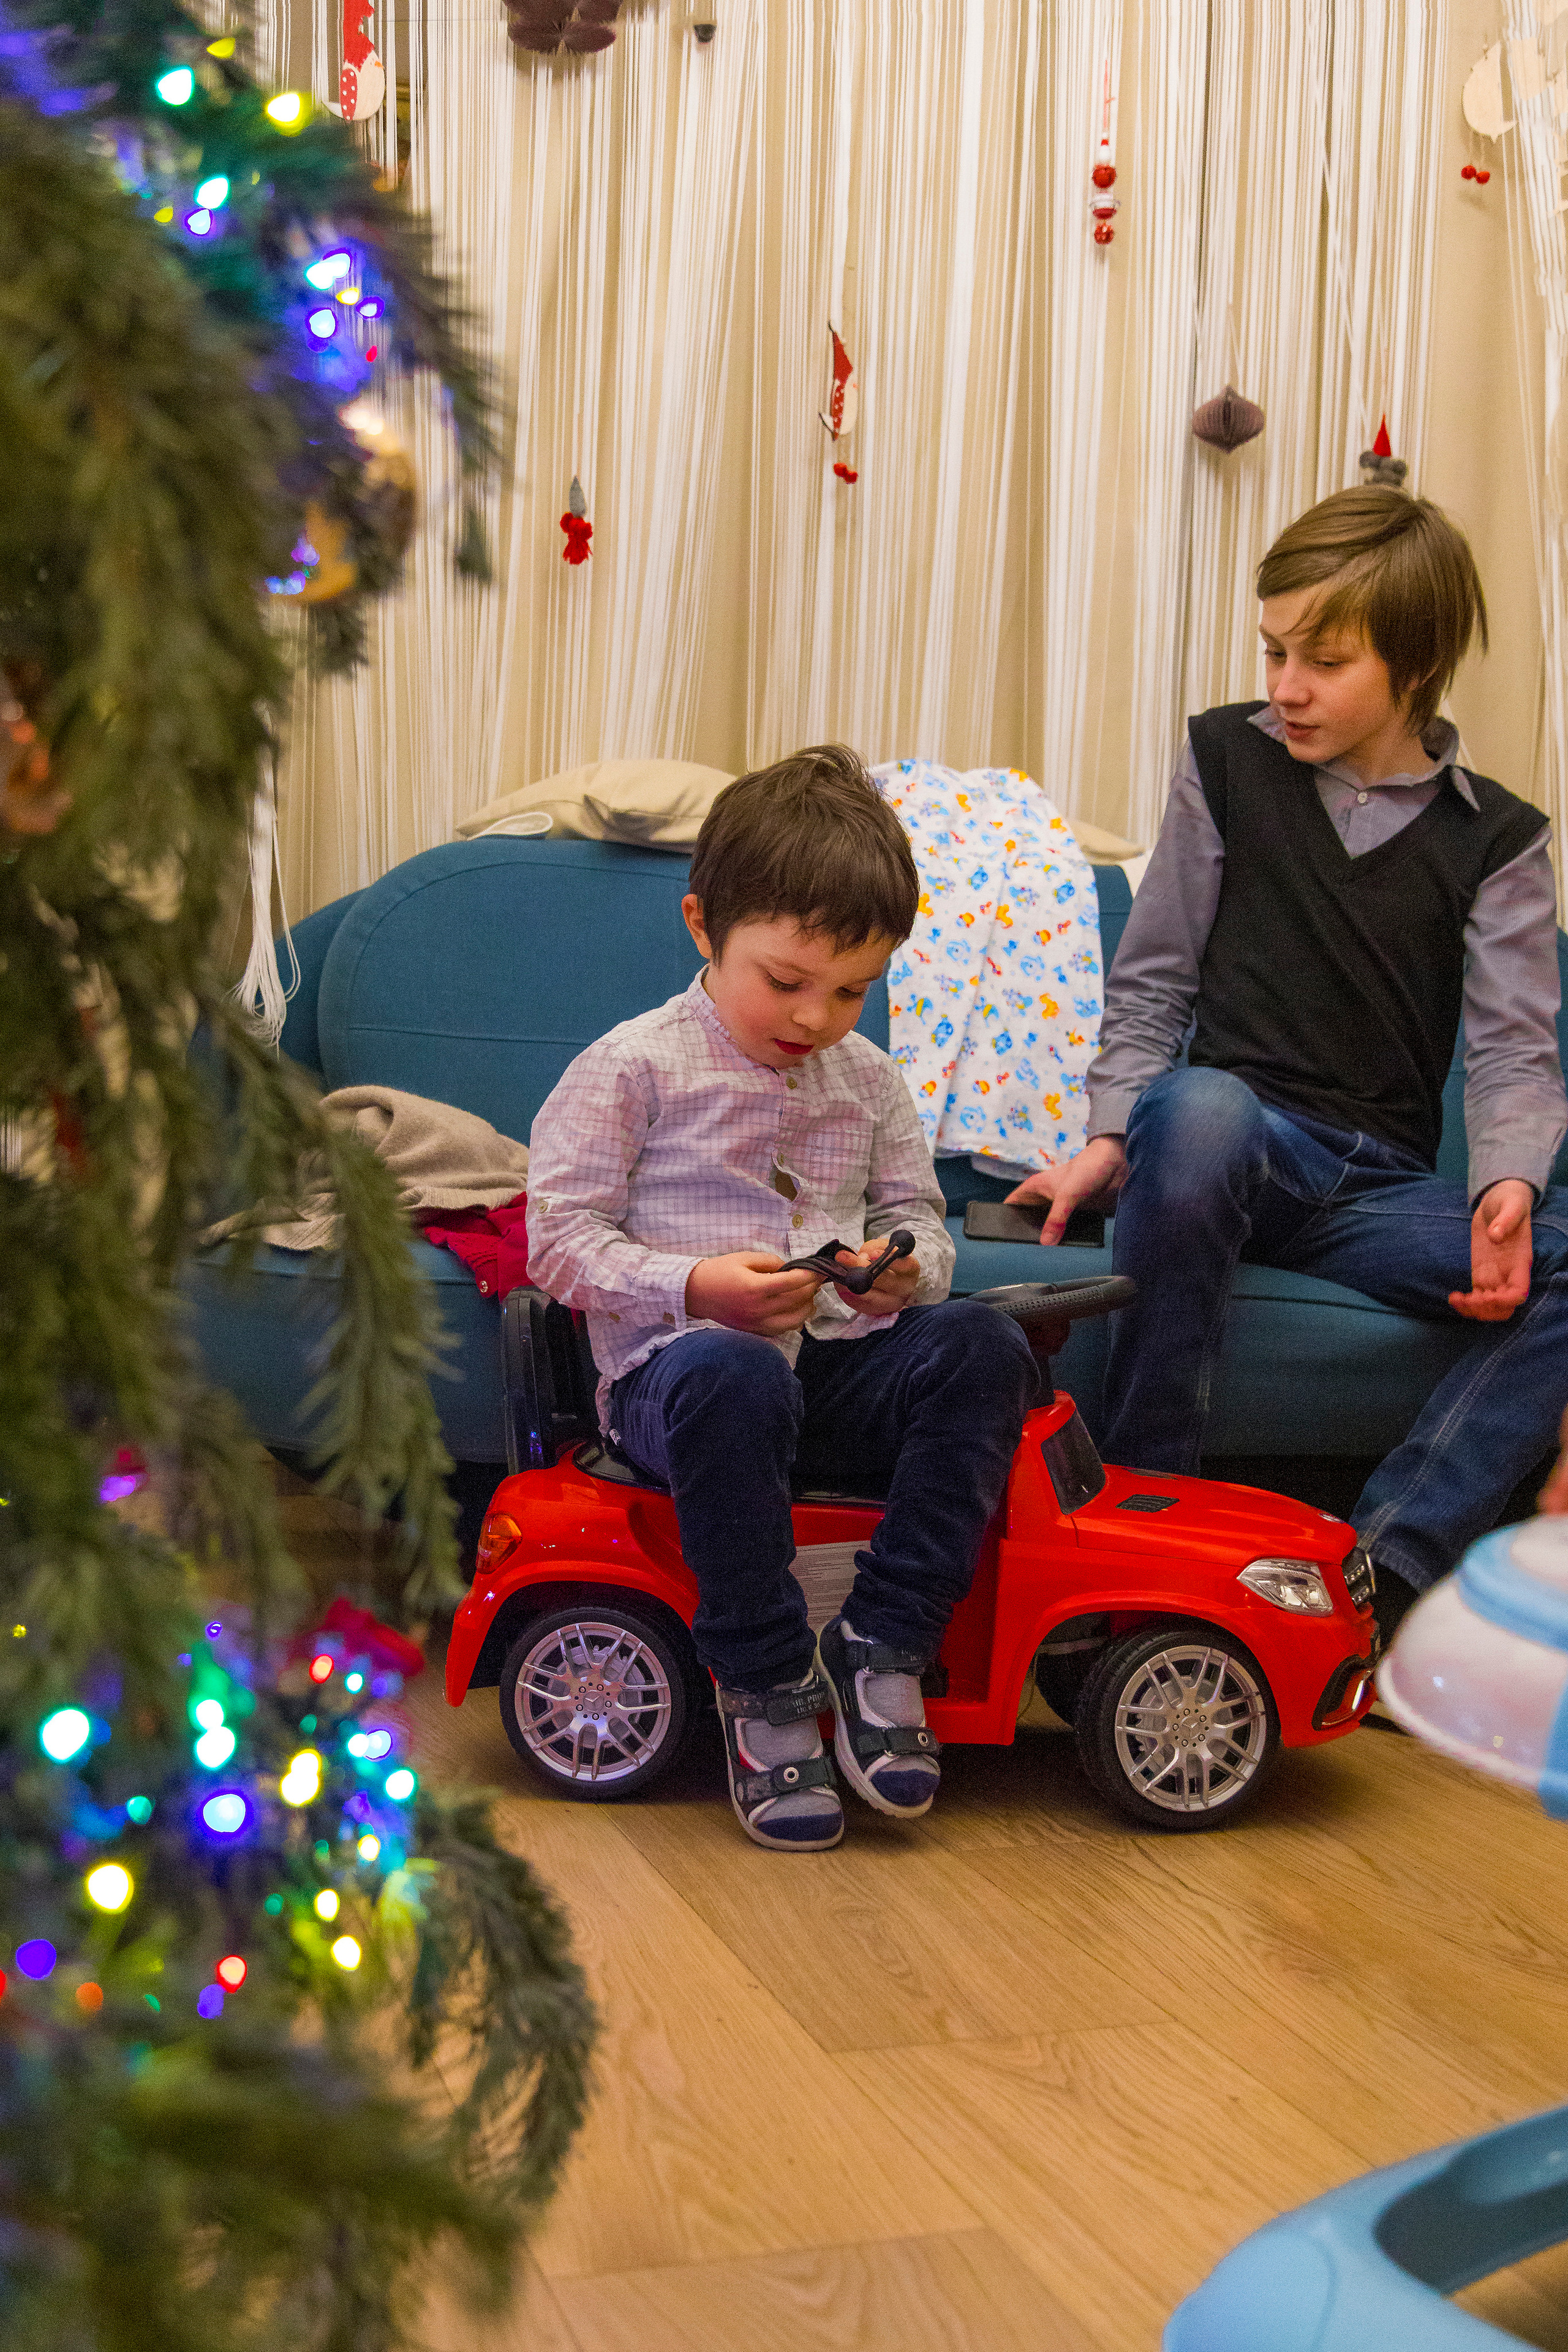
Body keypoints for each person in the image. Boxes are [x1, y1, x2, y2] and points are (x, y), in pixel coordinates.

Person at [1008, 487, 1568, 1648]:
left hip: (1371, 1194)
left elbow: (1517, 1048)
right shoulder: (1225, 759)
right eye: (1274, 651)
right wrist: (1114, 1134)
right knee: (1201, 1106)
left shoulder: (1500, 840)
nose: (1287, 686)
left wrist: (1507, 1185)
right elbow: (1155, 977)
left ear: (1412, 665)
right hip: (1222, 1149)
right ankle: (1137, 1536)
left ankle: (1381, 1582)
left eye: (1324, 659)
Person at [526, 747, 1038, 1852]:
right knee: (731, 1368)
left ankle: (886, 1639)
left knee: (987, 1346)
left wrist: (905, 1269)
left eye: (854, 989)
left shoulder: (871, 1081)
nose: (816, 1017)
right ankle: (759, 1679)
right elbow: (556, 1245)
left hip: (839, 1365)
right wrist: (693, 1286)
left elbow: (927, 1225)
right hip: (680, 1382)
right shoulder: (631, 1069)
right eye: (786, 981)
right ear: (703, 926)